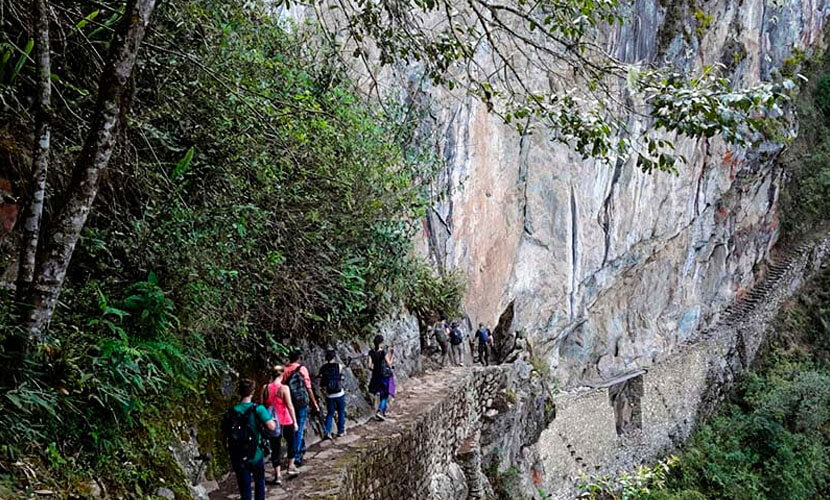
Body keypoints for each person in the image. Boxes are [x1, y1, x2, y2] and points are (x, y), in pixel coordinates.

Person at [222, 378, 277, 500]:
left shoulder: (231, 412)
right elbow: (272, 427)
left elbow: (225, 433)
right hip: (255, 452)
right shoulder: (258, 409)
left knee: (244, 487)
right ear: (252, 392)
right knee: (259, 482)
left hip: (238, 454)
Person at [261, 365, 299, 484]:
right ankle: (290, 466)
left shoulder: (265, 388)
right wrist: (295, 422)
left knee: (275, 448)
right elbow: (289, 406)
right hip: (285, 420)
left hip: (272, 422)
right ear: (282, 375)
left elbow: (262, 406)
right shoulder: (284, 388)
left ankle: (277, 475)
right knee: (291, 443)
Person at [282, 350, 320, 467]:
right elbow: (308, 387)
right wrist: (314, 403)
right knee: (298, 427)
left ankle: (300, 449)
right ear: (299, 358)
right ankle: (296, 455)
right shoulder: (302, 369)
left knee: (294, 426)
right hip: (301, 402)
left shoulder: (285, 370)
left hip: (289, 402)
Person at [319, 349, 347, 438]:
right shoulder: (338, 366)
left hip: (329, 394)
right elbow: (343, 368)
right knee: (341, 412)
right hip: (339, 393)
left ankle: (327, 432)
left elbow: (320, 376)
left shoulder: (323, 368)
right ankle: (341, 431)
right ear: (334, 357)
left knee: (330, 413)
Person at [368, 335, 395, 421]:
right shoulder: (383, 352)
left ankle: (383, 411)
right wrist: (392, 354)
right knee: (385, 395)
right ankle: (380, 411)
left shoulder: (371, 352)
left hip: (375, 376)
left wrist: (375, 369)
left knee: (379, 393)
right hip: (384, 375)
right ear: (381, 342)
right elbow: (389, 364)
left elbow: (369, 366)